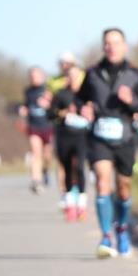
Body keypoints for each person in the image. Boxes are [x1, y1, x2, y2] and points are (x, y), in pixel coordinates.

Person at [77, 28, 138, 258]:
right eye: (107, 43)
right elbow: (79, 98)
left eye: (116, 42)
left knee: (124, 188)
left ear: (124, 46)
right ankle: (106, 236)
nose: (111, 47)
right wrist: (83, 108)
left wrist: (132, 101)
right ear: (103, 47)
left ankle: (122, 228)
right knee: (102, 181)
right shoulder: (92, 73)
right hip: (99, 136)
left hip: (126, 136)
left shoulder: (135, 74)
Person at [50, 66, 89, 221]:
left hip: (82, 136)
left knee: (79, 167)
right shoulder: (60, 94)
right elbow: (50, 113)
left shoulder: (86, 94)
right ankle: (70, 205)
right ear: (67, 77)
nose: (73, 78)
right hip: (64, 135)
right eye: (70, 75)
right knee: (66, 169)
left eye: (76, 75)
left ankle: (81, 205)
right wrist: (62, 112)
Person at [18, 67, 55, 193]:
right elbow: (26, 105)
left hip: (48, 126)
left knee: (47, 155)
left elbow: (56, 108)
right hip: (34, 126)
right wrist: (24, 109)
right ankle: (36, 180)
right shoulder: (28, 91)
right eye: (32, 76)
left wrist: (48, 104)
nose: (34, 78)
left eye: (36, 75)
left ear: (42, 76)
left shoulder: (48, 90)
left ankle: (45, 170)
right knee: (35, 153)